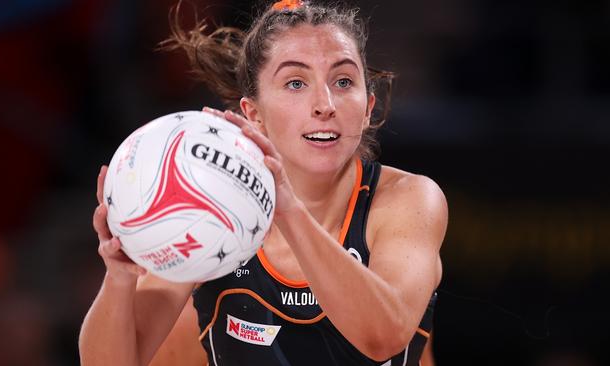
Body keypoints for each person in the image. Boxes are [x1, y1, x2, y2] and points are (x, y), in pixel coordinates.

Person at [79, 0, 448, 365]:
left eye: (343, 80)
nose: (325, 104)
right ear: (253, 114)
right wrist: (120, 276)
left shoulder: (410, 199)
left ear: (367, 109)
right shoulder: (214, 214)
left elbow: (383, 337)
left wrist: (286, 208)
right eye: (296, 82)